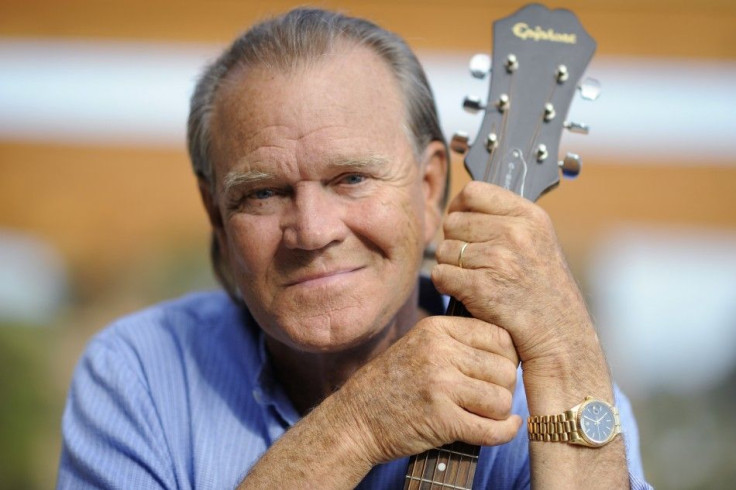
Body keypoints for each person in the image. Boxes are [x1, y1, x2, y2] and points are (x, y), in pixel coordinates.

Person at [57, 8, 651, 489]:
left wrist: (564, 351)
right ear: (217, 214)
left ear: (427, 190)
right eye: (264, 193)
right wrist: (359, 424)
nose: (313, 232)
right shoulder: (137, 374)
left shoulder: (558, 400)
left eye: (352, 179)